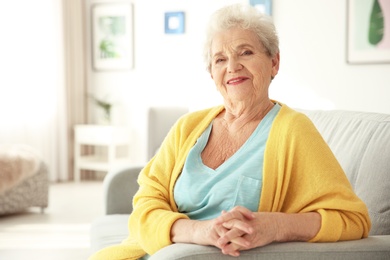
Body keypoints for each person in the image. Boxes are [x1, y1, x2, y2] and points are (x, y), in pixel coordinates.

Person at [90, 3, 370, 260]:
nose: (233, 67)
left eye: (245, 52)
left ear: (274, 62)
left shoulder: (293, 130)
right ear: (211, 72)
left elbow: (352, 219)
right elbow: (146, 203)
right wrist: (199, 231)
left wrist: (273, 226)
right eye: (220, 59)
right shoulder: (188, 127)